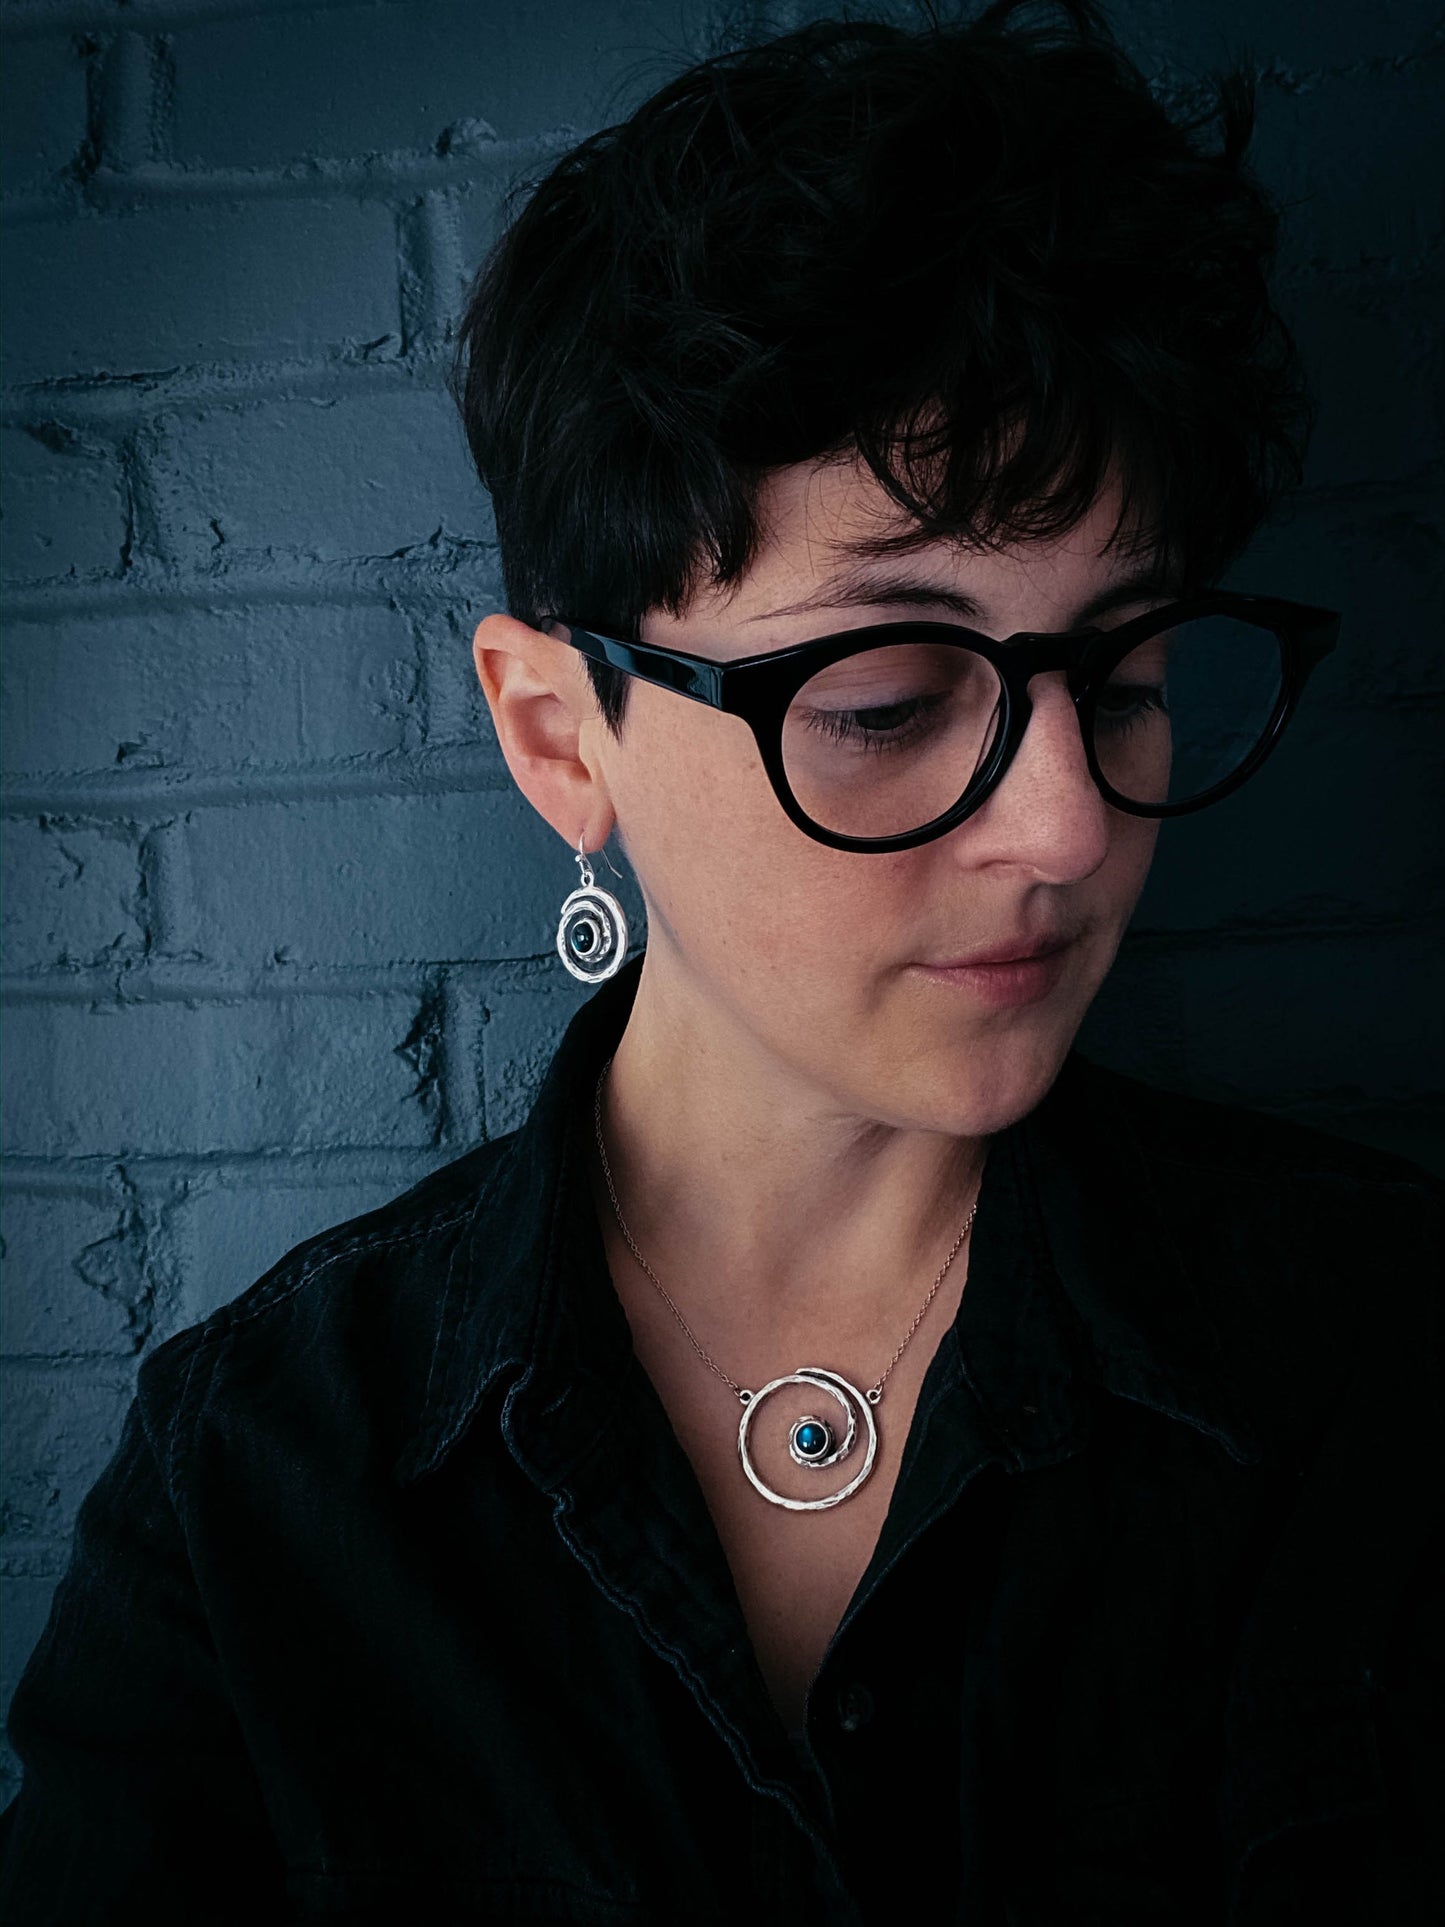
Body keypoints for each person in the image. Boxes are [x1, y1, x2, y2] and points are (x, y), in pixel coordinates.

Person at [1, 3, 1440, 1921]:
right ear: (558, 738)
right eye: (883, 700)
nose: (1071, 829)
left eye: (1124, 676)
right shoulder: (260, 1489)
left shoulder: (1380, 1359)